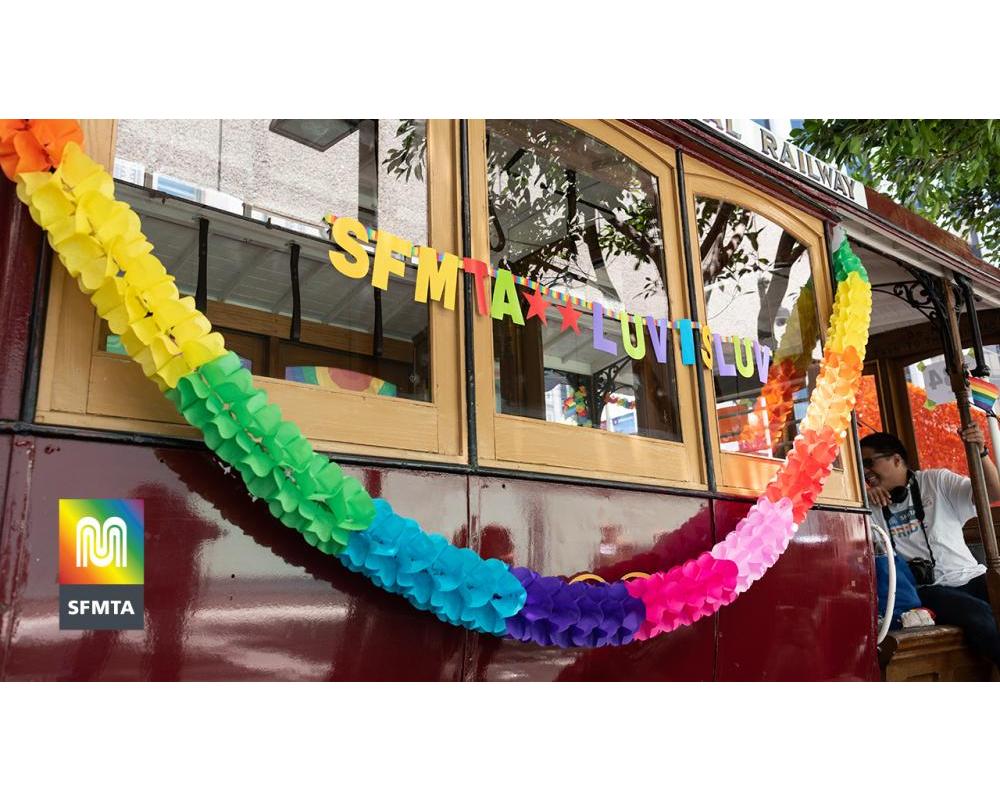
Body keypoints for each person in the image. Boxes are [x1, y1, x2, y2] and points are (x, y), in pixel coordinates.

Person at [860, 424, 1000, 667]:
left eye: (869, 463)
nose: (865, 471)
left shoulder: (936, 481)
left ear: (896, 460)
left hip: (972, 575)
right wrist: (863, 494)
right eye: (861, 466)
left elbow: (993, 492)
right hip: (929, 589)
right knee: (980, 616)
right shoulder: (868, 508)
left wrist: (982, 452)